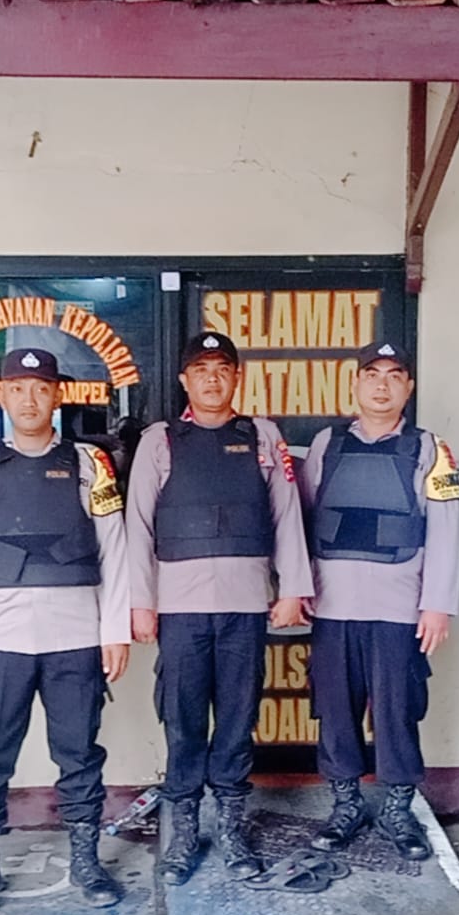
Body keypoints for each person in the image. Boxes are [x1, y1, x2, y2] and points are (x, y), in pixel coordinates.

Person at [0, 348, 131, 914]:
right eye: (18, 388)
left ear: (57, 396)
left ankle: (86, 862)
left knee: (79, 753)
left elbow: (114, 549)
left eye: (41, 388)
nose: (29, 399)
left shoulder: (91, 464)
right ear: (2, 395)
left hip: (76, 636)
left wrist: (114, 630)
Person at [127, 331, 312, 885]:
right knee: (182, 720)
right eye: (201, 369)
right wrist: (140, 602)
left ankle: (231, 828)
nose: (212, 378)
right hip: (180, 608)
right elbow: (137, 526)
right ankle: (184, 833)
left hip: (244, 605)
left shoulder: (262, 436)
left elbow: (286, 516)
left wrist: (292, 589)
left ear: (237, 378)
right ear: (184, 380)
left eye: (222, 369)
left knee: (237, 718)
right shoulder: (160, 441)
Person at [298, 341, 459, 861]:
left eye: (394, 375)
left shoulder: (431, 449)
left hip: (399, 608)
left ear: (408, 387)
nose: (382, 384)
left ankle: (397, 810)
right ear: (355, 384)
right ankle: (345, 805)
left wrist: (437, 604)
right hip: (332, 606)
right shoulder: (326, 444)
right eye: (372, 374)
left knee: (397, 711)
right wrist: (298, 586)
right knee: (335, 711)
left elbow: (445, 529)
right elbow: (303, 519)